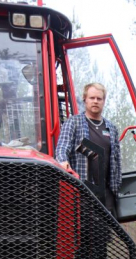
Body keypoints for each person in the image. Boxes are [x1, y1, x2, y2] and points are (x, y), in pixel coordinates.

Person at [55, 82, 121, 216]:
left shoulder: (111, 128)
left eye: (99, 98)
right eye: (92, 98)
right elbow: (62, 147)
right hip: (82, 190)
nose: (95, 101)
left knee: (106, 228)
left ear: (103, 101)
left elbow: (117, 161)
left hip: (106, 193)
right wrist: (62, 161)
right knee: (84, 227)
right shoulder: (73, 122)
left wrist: (117, 186)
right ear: (85, 99)